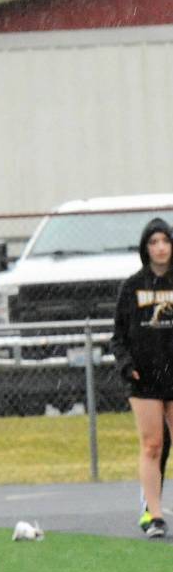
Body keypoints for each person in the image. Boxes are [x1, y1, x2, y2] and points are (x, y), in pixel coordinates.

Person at [112, 217, 173, 539]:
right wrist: (127, 365)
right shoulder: (132, 286)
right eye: (154, 242)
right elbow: (118, 337)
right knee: (152, 445)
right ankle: (154, 514)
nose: (161, 247)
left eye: (165, 240)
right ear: (145, 247)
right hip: (145, 379)